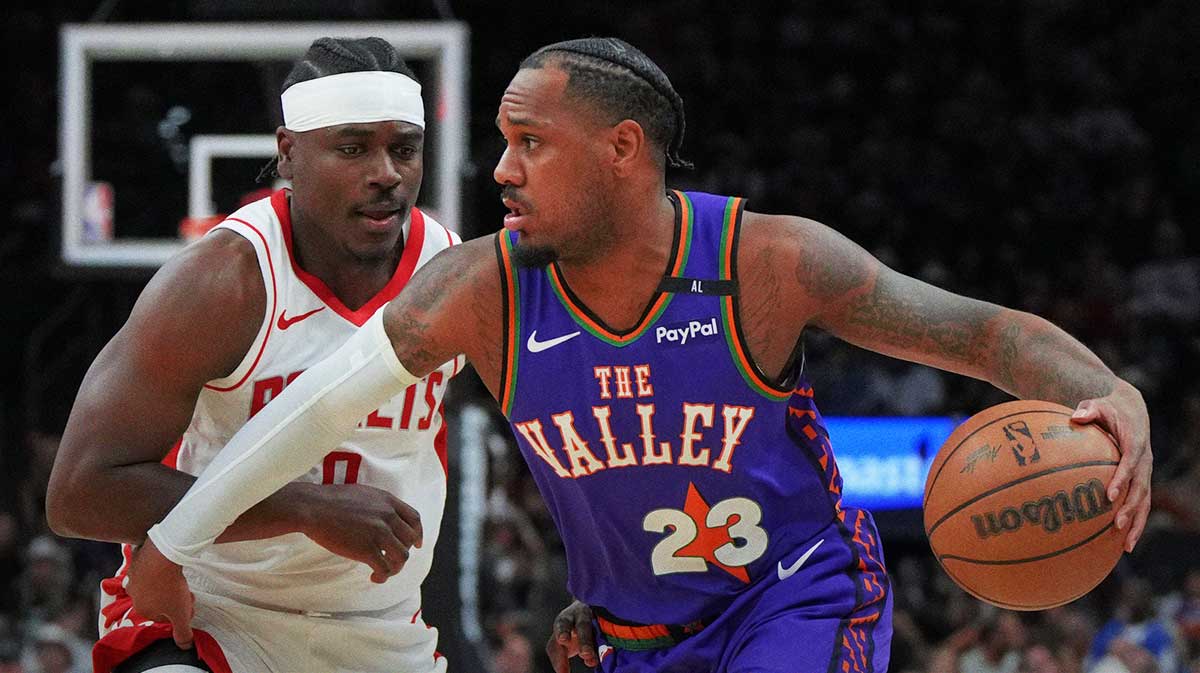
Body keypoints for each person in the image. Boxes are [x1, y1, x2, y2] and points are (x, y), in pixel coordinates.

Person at [126, 37, 1153, 673]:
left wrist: (1108, 392)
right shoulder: (482, 287)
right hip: (628, 636)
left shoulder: (771, 262)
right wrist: (176, 541)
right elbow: (312, 408)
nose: (500, 167)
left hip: (794, 595)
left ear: (622, 149)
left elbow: (980, 333)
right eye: (499, 138)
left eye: (531, 141)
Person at [45, 37, 462, 673]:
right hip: (206, 611)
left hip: (379, 626)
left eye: (404, 148)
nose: (386, 173)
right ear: (289, 153)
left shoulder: (452, 277)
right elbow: (78, 494)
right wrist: (306, 508)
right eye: (352, 148)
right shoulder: (223, 281)